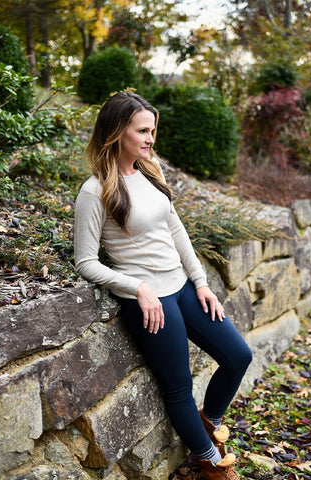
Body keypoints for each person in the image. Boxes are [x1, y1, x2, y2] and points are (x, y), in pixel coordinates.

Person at [74, 91, 252, 480]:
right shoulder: (94, 191)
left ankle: (209, 422)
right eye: (143, 130)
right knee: (179, 386)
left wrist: (201, 282)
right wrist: (136, 287)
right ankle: (211, 461)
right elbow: (85, 261)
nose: (151, 138)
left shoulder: (150, 171)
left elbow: (175, 229)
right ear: (118, 131)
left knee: (238, 356)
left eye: (153, 130)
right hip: (149, 299)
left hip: (183, 287)